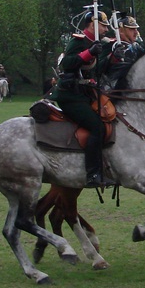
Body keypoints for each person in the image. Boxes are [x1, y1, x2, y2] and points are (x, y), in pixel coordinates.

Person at [49, 10, 115, 188]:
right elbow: (67, 63)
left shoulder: (97, 43)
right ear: (92, 25)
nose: (106, 29)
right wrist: (89, 52)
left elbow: (97, 70)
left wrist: (112, 57)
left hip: (85, 94)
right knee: (97, 127)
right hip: (70, 96)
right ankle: (93, 174)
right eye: (103, 26)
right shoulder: (78, 41)